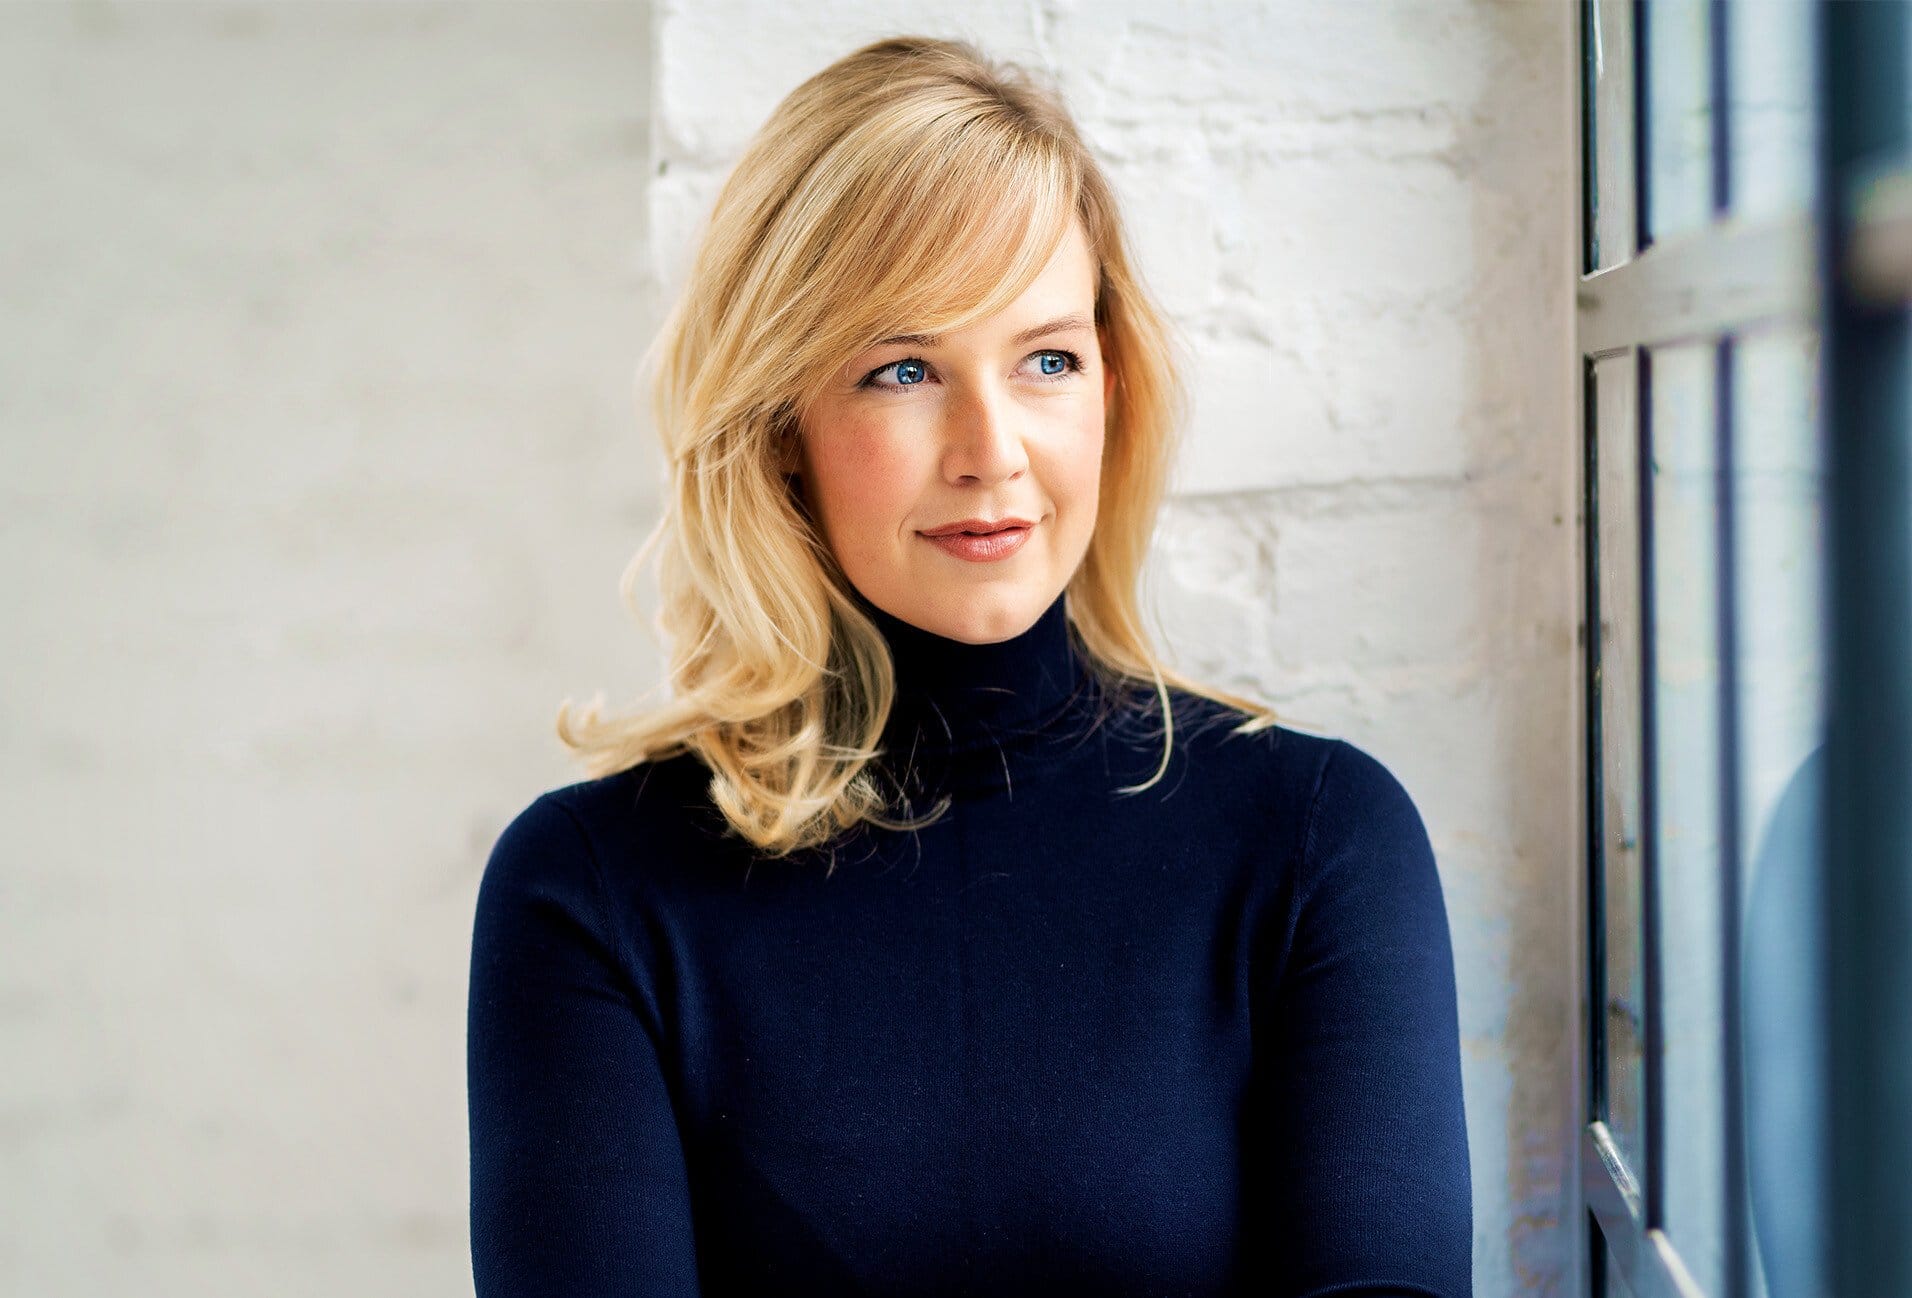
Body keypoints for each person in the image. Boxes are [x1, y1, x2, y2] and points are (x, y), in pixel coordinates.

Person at [466, 34, 1471, 1297]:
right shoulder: (593, 891)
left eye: (1044, 358)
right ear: (781, 428)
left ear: (1111, 379)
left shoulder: (1316, 838)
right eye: (903, 371)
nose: (990, 448)